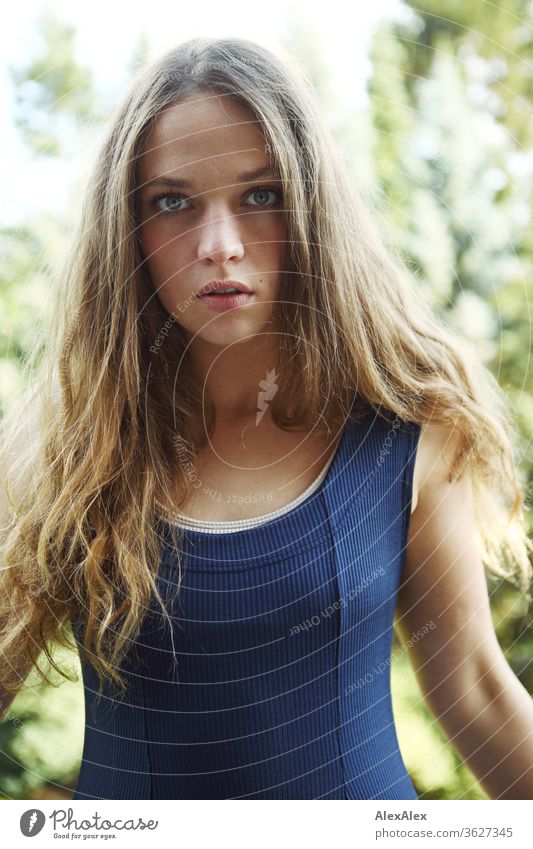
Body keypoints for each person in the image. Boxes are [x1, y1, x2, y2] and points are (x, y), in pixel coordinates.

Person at [1, 35, 532, 801]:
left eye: (260, 195)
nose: (218, 246)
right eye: (173, 202)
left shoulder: (409, 419)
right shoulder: (65, 447)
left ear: (313, 206)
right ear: (128, 229)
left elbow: (477, 693)